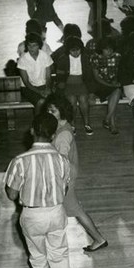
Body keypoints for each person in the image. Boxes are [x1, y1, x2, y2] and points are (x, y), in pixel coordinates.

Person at [3, 113, 75, 268]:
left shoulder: (19, 160)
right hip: (56, 211)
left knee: (37, 255)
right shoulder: (62, 160)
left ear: (32, 130)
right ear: (53, 135)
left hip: (31, 215)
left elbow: (11, 194)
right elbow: (65, 189)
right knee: (59, 254)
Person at [46, 94, 108, 252]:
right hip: (66, 173)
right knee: (73, 209)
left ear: (62, 111)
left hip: (64, 176)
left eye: (53, 111)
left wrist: (62, 183)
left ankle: (99, 239)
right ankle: (98, 239)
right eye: (48, 110)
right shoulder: (62, 126)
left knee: (74, 210)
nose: (49, 113)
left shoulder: (63, 134)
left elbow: (62, 160)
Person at [55, 36, 95, 135]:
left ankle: (87, 124)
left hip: (82, 83)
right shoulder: (63, 59)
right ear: (68, 50)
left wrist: (91, 92)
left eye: (78, 50)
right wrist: (61, 87)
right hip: (68, 84)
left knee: (83, 100)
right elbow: (60, 77)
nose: (76, 53)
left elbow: (90, 77)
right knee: (72, 101)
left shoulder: (86, 58)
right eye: (73, 51)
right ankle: (72, 125)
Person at [89, 37, 123, 134]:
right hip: (100, 85)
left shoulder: (117, 57)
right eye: (106, 49)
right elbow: (96, 77)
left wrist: (115, 81)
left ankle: (108, 120)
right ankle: (111, 123)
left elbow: (121, 73)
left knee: (116, 92)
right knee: (115, 92)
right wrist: (109, 85)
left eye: (111, 49)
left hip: (113, 85)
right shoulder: (95, 58)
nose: (109, 51)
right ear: (101, 49)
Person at [17, 32, 53, 114]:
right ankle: (37, 124)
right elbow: (26, 83)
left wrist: (47, 88)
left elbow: (48, 77)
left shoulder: (45, 56)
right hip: (28, 88)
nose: (31, 48)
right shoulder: (23, 59)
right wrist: (39, 92)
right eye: (29, 45)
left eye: (34, 45)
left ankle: (49, 123)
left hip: (43, 85)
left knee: (52, 102)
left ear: (39, 45)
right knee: (41, 101)